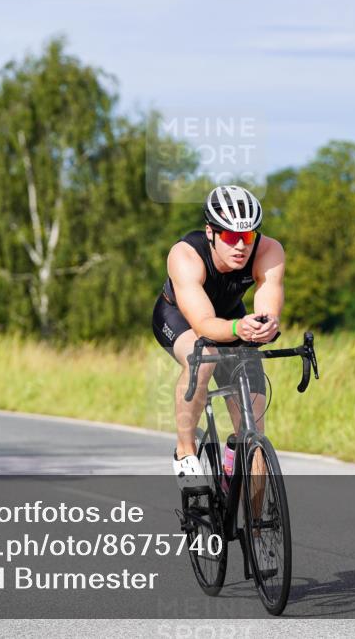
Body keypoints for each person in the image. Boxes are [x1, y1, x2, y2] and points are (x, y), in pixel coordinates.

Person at [151, 186, 286, 489]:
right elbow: (203, 324)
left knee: (255, 440)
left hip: (230, 318)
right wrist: (239, 329)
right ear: (210, 232)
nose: (240, 245)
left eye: (248, 236)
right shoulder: (185, 255)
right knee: (204, 357)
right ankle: (185, 450)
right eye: (229, 236)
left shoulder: (269, 251)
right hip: (180, 318)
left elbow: (268, 303)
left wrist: (266, 324)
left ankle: (249, 515)